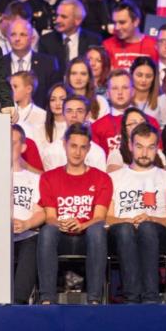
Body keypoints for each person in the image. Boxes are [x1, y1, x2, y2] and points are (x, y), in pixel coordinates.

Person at [34, 123, 111, 304]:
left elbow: (100, 216)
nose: (77, 152)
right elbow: (51, 216)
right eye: (73, 146)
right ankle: (47, 299)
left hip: (88, 237)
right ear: (65, 145)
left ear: (89, 149)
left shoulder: (102, 178)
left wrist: (82, 224)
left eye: (83, 147)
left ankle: (94, 299)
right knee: (47, 230)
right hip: (60, 236)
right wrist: (63, 224)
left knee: (97, 230)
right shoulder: (48, 178)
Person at [106, 124, 166, 303]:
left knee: (147, 228)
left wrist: (151, 218)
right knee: (124, 229)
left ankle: (150, 298)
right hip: (121, 235)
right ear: (130, 146)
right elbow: (106, 217)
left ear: (157, 148)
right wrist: (127, 221)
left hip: (157, 236)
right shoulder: (114, 178)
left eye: (150, 147)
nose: (144, 153)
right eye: (139, 146)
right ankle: (132, 299)